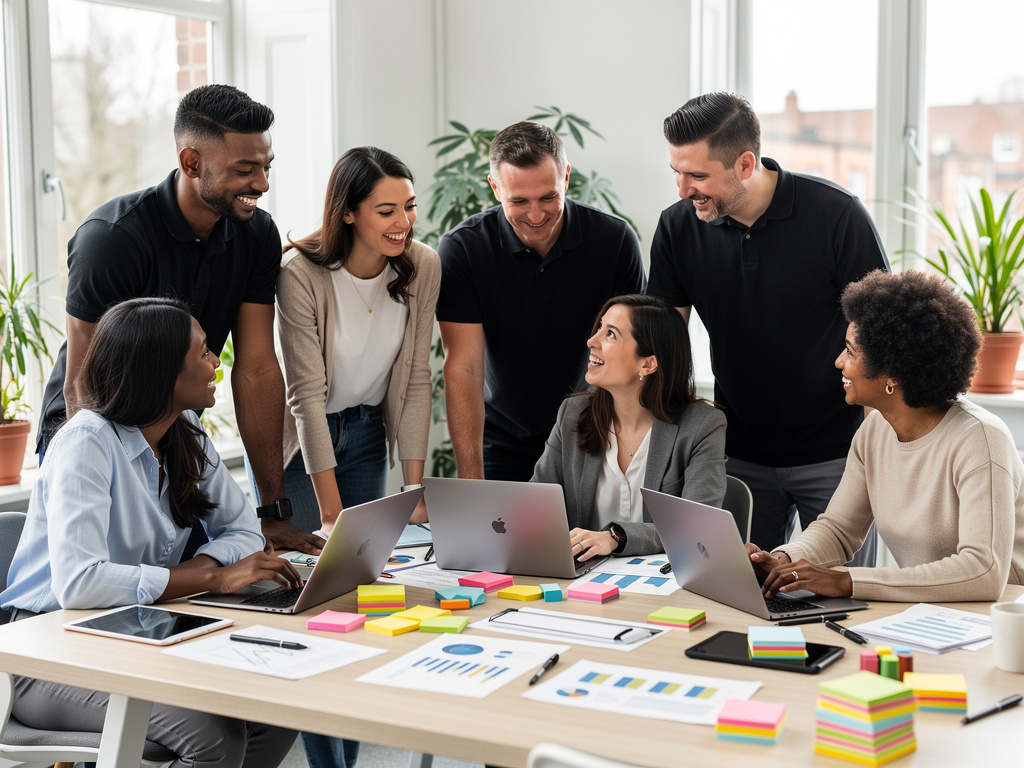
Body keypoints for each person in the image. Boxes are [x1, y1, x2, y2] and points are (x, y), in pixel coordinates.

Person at [1, 297, 301, 768]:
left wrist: (197, 570)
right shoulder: (87, 442)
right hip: (44, 657)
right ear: (164, 372)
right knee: (214, 736)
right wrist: (213, 578)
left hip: (135, 633)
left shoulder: (186, 432)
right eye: (203, 353)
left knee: (277, 705)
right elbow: (79, 583)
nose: (215, 362)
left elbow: (242, 529)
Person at [36, 83, 321, 556]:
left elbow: (256, 369)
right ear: (191, 163)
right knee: (105, 591)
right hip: (85, 435)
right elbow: (82, 389)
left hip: (173, 434)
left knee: (203, 585)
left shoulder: (256, 235)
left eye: (267, 168)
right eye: (245, 170)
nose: (263, 184)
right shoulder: (111, 239)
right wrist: (114, 479)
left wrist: (271, 511)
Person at [647, 92, 889, 564]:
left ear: (744, 164)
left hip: (837, 455)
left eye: (697, 175)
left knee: (844, 602)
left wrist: (876, 457)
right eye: (676, 171)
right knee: (740, 599)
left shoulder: (837, 216)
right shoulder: (678, 228)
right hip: (736, 453)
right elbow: (664, 347)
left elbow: (878, 339)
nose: (682, 189)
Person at [274, 146, 439, 768]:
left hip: (368, 436)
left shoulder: (422, 266)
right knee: (318, 602)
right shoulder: (300, 274)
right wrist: (332, 515)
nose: (404, 224)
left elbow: (417, 377)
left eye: (410, 208)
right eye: (386, 211)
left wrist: (416, 489)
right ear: (348, 213)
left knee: (360, 601)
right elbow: (304, 397)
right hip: (304, 445)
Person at [747, 270, 1024, 602]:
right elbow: (838, 530)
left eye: (850, 352)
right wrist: (784, 560)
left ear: (891, 372)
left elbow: (984, 571)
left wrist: (845, 581)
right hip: (931, 615)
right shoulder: (874, 430)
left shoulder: (980, 439)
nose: (838, 362)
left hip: (998, 623)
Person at [437, 121, 646, 482]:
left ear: (566, 178)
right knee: (503, 539)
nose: (536, 216)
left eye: (548, 196)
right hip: (502, 441)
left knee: (588, 540)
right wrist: (472, 482)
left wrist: (630, 455)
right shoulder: (464, 249)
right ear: (495, 188)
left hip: (593, 435)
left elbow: (631, 355)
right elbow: (464, 368)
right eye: (519, 201)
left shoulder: (614, 240)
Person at [532, 294, 726, 559]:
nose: (592, 341)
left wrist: (616, 537)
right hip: (581, 579)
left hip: (661, 584)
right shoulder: (573, 415)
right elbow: (534, 504)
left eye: (610, 334)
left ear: (648, 363)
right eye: (599, 327)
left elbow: (698, 528)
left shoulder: (702, 425)